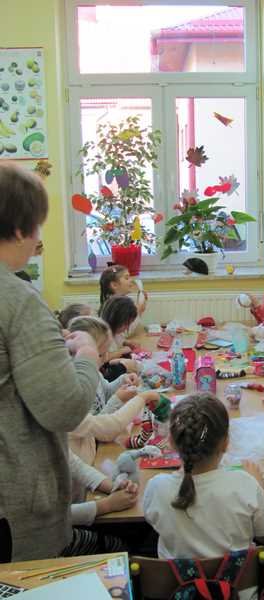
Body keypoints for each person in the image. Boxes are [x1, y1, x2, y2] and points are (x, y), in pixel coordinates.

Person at [0, 162, 99, 560]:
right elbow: (65, 407)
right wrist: (88, 354)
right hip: (13, 508)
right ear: (19, 229)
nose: (37, 239)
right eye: (37, 228)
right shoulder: (17, 299)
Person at [143, 393, 264, 559]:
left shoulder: (156, 487)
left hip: (174, 576)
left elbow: (153, 521)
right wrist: (259, 484)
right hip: (238, 576)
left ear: (171, 442)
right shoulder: (245, 484)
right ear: (226, 443)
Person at [67, 315, 160, 464]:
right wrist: (120, 398)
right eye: (100, 354)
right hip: (96, 451)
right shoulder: (75, 389)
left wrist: (123, 380)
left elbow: (106, 390)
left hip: (102, 445)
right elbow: (100, 430)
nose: (106, 359)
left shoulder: (94, 372)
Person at [63, 450, 138, 556]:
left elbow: (77, 467)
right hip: (49, 542)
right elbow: (50, 518)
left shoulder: (51, 443)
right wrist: (108, 505)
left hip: (66, 523)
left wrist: (114, 486)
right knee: (118, 546)